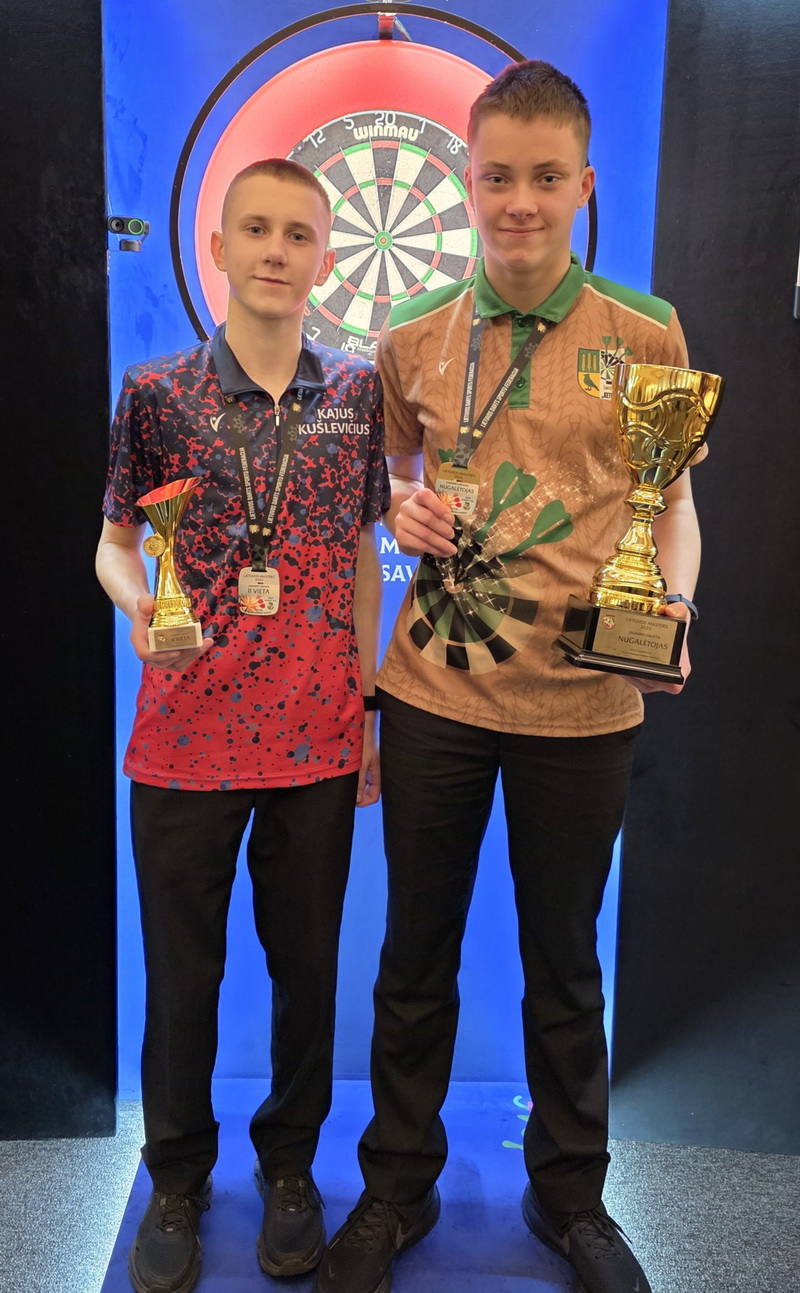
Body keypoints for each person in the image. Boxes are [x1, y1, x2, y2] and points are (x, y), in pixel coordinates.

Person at [316, 61, 702, 1293]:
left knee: (564, 965)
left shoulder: (645, 331)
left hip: (584, 703)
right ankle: (394, 1187)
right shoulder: (412, 332)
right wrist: (401, 512)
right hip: (435, 693)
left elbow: (670, 503)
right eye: (496, 177)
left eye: (545, 176)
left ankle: (570, 1198)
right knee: (413, 956)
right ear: (466, 185)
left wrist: (672, 602)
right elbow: (389, 483)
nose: (519, 201)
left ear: (583, 185)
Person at [96, 157, 389, 1293]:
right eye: (256, 229)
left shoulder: (355, 393)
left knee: (306, 969)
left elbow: (361, 556)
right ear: (216, 248)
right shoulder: (155, 392)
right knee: (183, 975)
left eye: (298, 233)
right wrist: (139, 603)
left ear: (324, 257)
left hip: (316, 733)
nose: (276, 250)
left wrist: (367, 706)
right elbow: (114, 543)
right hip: (183, 736)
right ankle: (177, 1175)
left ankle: (290, 1167)